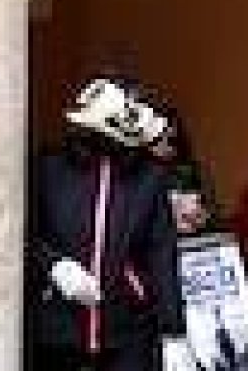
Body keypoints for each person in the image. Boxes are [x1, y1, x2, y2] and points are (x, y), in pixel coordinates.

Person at [28, 75, 192, 371]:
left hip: (128, 333)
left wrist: (174, 332)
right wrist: (53, 265)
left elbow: (161, 254)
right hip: (58, 332)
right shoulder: (49, 169)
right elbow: (23, 235)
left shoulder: (149, 178)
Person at [149, 108, 220, 237]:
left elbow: (211, 218)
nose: (163, 145)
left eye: (169, 139)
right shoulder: (138, 178)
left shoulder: (195, 174)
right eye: (157, 138)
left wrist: (200, 216)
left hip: (190, 244)